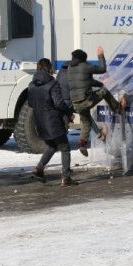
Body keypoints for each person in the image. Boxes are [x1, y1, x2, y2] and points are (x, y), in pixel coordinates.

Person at [28, 58, 77, 186]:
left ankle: (39, 168)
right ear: (48, 68)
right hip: (53, 123)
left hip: (40, 123)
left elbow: (31, 103)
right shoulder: (52, 84)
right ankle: (66, 178)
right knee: (65, 148)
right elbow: (59, 103)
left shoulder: (31, 85)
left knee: (52, 146)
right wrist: (69, 112)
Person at [66, 46, 123, 156]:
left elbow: (88, 81)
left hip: (76, 104)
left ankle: (83, 143)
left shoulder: (70, 69)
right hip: (86, 100)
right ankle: (118, 108)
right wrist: (100, 55)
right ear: (83, 59)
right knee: (105, 91)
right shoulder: (85, 66)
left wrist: (100, 83)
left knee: (86, 122)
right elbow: (102, 69)